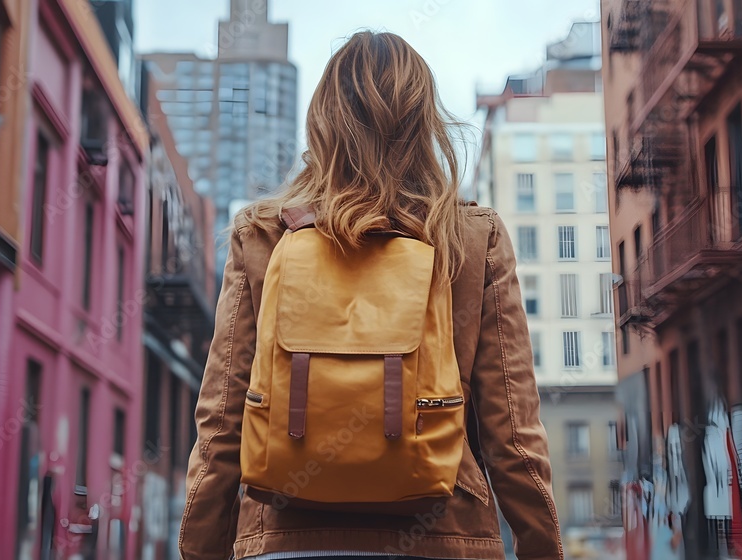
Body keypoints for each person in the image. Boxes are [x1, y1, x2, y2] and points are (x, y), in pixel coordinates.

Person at [179, 30, 562, 560]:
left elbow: (221, 428)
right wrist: (543, 548)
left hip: (283, 539)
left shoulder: (263, 235)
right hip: (443, 539)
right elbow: (513, 439)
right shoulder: (472, 238)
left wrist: (202, 549)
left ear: (322, 122)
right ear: (422, 120)